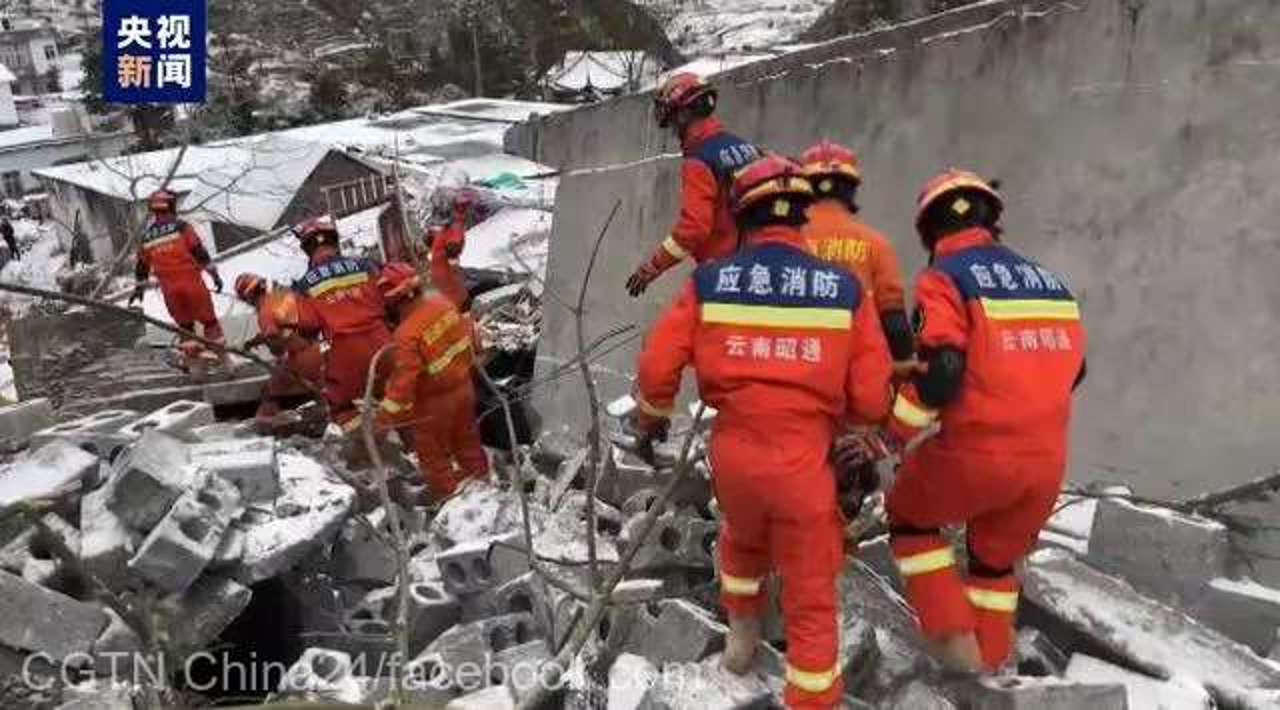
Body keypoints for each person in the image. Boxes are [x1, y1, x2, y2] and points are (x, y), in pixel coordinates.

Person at [629, 154, 893, 708]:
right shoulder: (842, 288)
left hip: (736, 458)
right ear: (802, 215)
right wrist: (861, 431)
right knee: (811, 588)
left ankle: (740, 645)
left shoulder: (709, 282)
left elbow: (658, 365)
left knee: (742, 542)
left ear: (743, 217)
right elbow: (871, 392)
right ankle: (811, 697)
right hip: (805, 461)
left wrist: (652, 417)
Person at [863, 169, 1086, 673]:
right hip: (1046, 467)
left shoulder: (946, 278)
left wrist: (891, 436)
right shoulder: (1050, 283)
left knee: (910, 517)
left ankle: (950, 638)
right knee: (993, 561)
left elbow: (940, 372)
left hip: (977, 456)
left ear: (928, 231)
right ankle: (989, 664)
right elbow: (1078, 371)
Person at [625, 72, 762, 298]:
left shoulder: (699, 161)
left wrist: (652, 267)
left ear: (682, 116)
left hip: (728, 276)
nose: (673, 131)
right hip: (760, 266)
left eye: (671, 122)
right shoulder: (747, 148)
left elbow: (693, 229)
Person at [374, 262, 489, 498]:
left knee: (433, 457)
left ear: (395, 301)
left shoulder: (406, 334)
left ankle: (450, 503)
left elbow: (404, 385)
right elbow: (474, 341)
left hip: (434, 406)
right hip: (465, 388)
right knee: (468, 444)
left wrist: (383, 420)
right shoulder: (443, 304)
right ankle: (486, 492)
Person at [799, 140, 913, 367]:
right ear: (851, 189)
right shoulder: (877, 245)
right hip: (860, 369)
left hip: (801, 363)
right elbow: (895, 325)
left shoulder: (788, 241)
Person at [292, 216, 392, 434]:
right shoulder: (367, 265)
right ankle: (414, 447)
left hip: (346, 353)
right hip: (384, 342)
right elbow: (392, 296)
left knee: (342, 406)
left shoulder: (304, 285)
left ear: (308, 251)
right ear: (334, 242)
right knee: (397, 397)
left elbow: (308, 327)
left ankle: (371, 451)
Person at [129, 190, 226, 359]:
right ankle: (223, 360)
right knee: (210, 322)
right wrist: (214, 275)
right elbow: (199, 253)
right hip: (193, 285)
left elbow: (142, 267)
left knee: (185, 328)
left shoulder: (146, 237)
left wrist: (139, 289)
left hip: (170, 291)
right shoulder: (182, 227)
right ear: (171, 205)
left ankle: (194, 368)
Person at [234, 272, 324, 432]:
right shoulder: (281, 297)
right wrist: (256, 341)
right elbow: (285, 325)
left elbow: (275, 341)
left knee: (270, 393)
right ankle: (326, 419)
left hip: (300, 357)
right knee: (320, 391)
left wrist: (275, 352)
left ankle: (264, 428)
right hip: (316, 349)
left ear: (248, 297)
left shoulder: (264, 313)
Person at [426, 192, 473, 311]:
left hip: (437, 271)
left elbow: (430, 240)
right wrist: (459, 280)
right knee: (460, 304)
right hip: (446, 274)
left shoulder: (446, 227)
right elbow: (452, 251)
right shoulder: (456, 227)